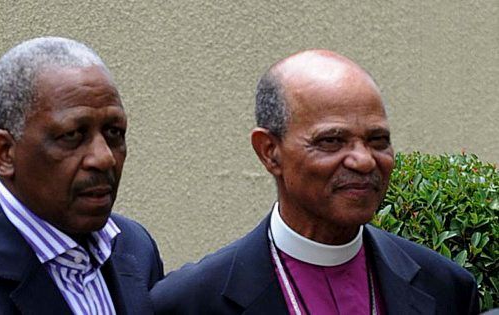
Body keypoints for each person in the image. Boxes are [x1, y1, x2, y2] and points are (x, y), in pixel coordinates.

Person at [151, 50, 479, 314]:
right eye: (332, 141)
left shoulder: (445, 288)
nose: (364, 160)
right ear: (270, 152)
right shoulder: (190, 303)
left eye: (377, 140)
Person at [0, 37, 163, 315]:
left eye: (114, 132)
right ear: (4, 153)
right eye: (72, 135)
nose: (104, 157)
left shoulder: (135, 248)